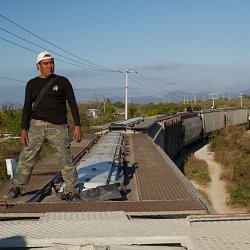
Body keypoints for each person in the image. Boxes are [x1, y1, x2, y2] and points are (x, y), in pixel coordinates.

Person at [4, 52, 82, 201]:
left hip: (58, 126)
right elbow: (27, 107)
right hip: (37, 125)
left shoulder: (63, 81)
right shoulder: (31, 84)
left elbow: (72, 104)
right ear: (38, 66)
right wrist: (23, 129)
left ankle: (72, 190)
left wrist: (77, 125)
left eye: (51, 63)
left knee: (65, 158)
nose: (50, 66)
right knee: (27, 156)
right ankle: (18, 187)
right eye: (45, 63)